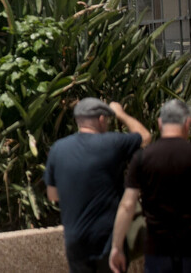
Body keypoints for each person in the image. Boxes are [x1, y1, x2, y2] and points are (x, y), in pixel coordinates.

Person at [45, 97, 151, 272]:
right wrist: (120, 114)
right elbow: (145, 136)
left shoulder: (58, 149)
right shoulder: (112, 143)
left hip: (75, 241)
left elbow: (52, 195)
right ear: (101, 119)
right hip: (107, 240)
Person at [109, 99, 191, 273]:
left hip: (157, 251)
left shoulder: (142, 158)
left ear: (160, 122)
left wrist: (116, 246)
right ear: (187, 123)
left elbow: (127, 205)